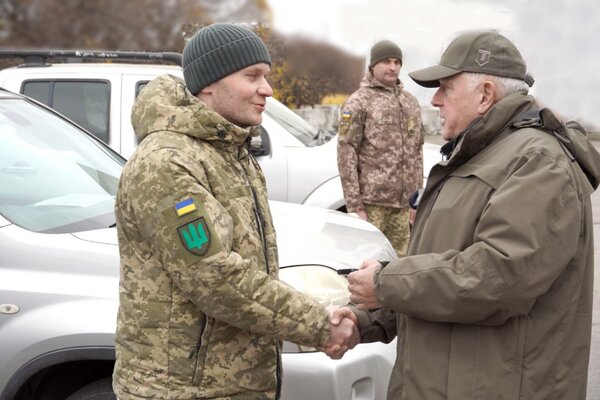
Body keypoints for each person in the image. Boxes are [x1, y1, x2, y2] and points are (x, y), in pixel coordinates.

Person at [345, 30, 600, 399]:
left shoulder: (538, 162)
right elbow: (439, 267)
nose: (434, 100)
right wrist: (366, 318)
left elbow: (495, 278)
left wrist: (386, 283)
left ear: (485, 95)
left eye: (445, 88)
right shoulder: (479, 153)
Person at [112, 23, 358, 400]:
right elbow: (215, 277)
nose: (267, 89)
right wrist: (320, 326)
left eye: (267, 76)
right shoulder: (167, 163)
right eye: (252, 76)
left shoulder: (231, 150)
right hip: (182, 388)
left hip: (230, 381)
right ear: (210, 83)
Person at [337, 39, 424, 257]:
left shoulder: (410, 102)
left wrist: (417, 199)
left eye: (397, 62)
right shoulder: (358, 102)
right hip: (371, 204)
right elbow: (346, 153)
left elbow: (417, 150)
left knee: (399, 262)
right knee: (366, 261)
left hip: (403, 206)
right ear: (373, 65)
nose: (393, 67)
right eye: (386, 61)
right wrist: (355, 207)